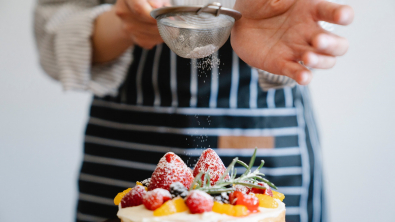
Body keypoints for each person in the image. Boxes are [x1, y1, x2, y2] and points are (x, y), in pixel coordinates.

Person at [34, 0, 354, 222]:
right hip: (125, 137)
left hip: (266, 125)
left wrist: (288, 22)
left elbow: (313, 14)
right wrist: (123, 24)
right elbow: (55, 29)